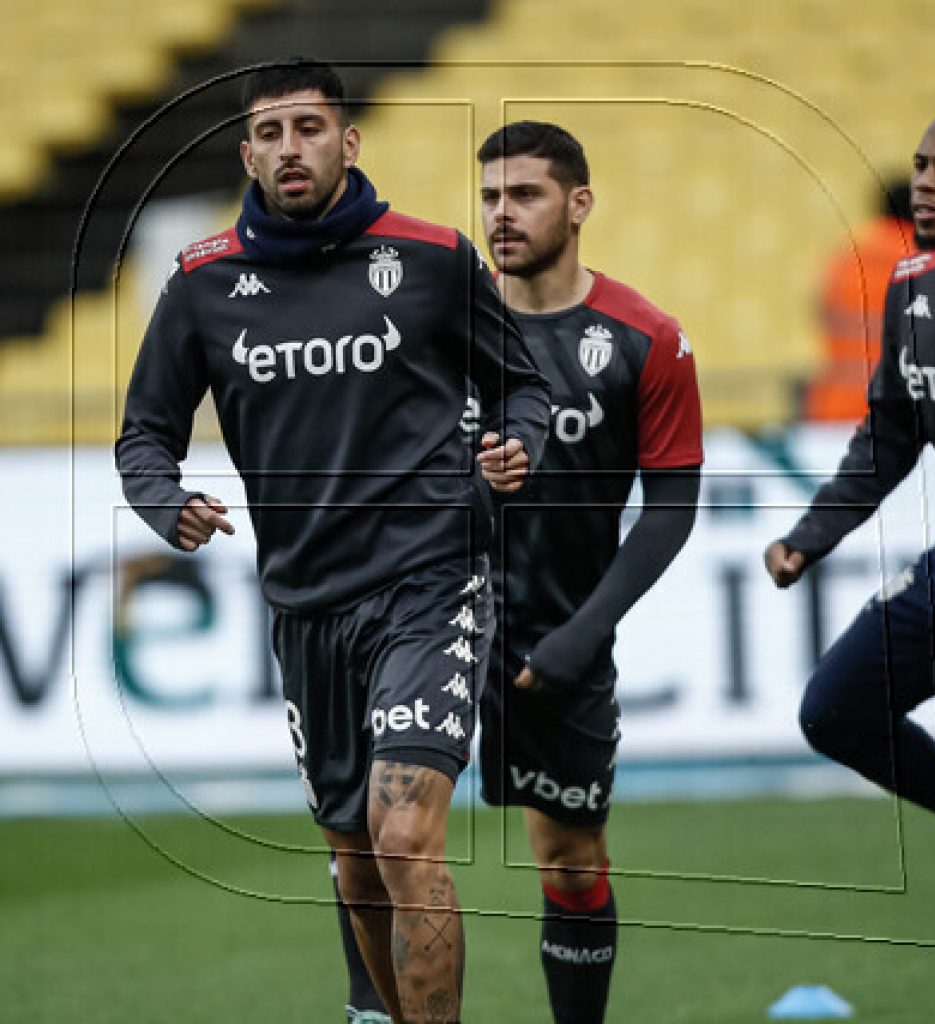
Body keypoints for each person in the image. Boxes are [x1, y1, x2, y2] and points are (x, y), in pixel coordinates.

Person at [115, 59, 551, 1024]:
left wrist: (517, 441)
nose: (290, 149)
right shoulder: (202, 284)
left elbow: (526, 384)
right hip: (307, 606)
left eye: (308, 129)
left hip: (431, 583)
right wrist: (162, 499)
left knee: (404, 842)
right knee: (355, 855)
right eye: (269, 135)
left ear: (348, 142)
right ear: (247, 154)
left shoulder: (433, 258)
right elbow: (145, 431)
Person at [764, 105, 935, 1023]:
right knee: (833, 710)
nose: (926, 182)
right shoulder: (909, 287)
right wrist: (811, 535)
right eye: (920, 165)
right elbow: (889, 435)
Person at [475, 120, 702, 1022]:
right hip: (429, 619)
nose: (501, 213)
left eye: (523, 194)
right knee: (388, 833)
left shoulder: (646, 338)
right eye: (489, 195)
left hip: (553, 634)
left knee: (569, 860)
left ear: (579, 204)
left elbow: (671, 508)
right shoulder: (434, 322)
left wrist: (579, 638)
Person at [803, 176, 914, 421]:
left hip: (836, 409)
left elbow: (820, 313)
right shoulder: (927, 262)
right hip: (900, 416)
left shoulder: (843, 257)